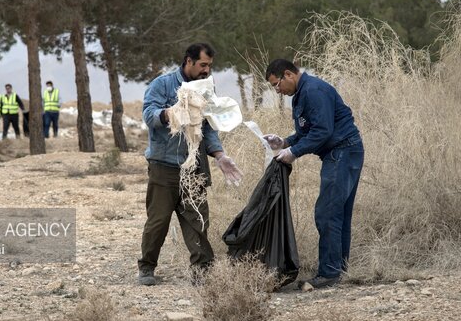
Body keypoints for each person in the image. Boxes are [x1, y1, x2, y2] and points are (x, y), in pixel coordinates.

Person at [137, 43, 243, 286]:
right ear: (189, 61)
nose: (207, 70)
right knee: (158, 221)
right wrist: (169, 114)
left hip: (194, 166)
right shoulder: (162, 84)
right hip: (164, 166)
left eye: (210, 66)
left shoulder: (206, 87)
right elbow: (148, 115)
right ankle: (147, 268)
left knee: (197, 219)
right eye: (203, 65)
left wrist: (220, 156)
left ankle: (203, 270)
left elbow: (208, 126)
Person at [264, 59, 364, 289]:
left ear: (288, 74)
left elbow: (323, 131)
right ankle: (338, 270)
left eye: (276, 84)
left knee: (327, 213)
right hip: (345, 152)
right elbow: (308, 130)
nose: (277, 91)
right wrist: (285, 141)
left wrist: (293, 152)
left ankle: (329, 273)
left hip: (342, 152)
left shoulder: (313, 91)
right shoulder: (303, 93)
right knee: (338, 214)